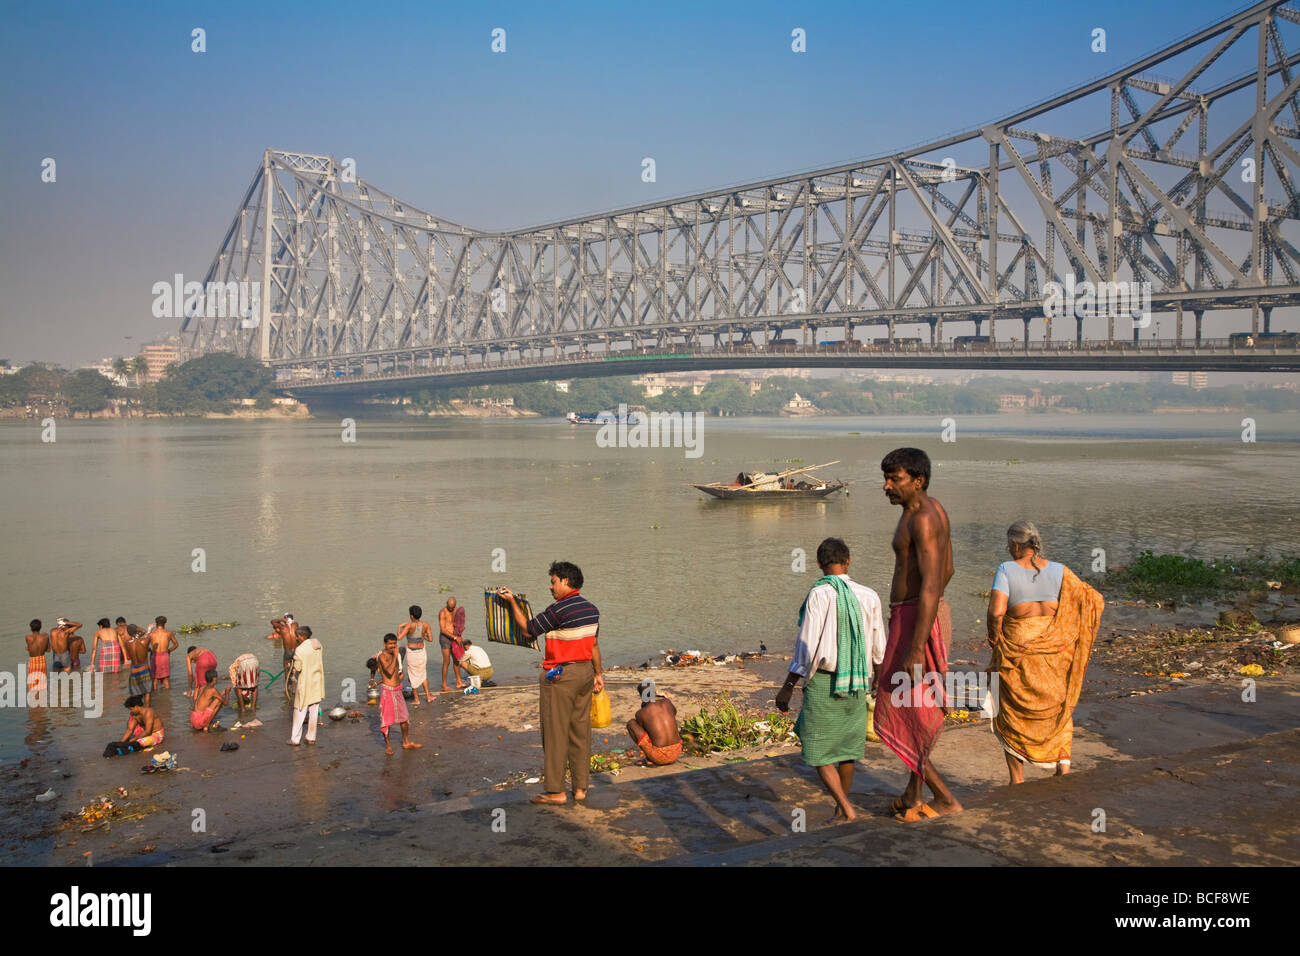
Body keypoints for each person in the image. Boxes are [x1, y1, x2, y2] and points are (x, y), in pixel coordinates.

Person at [873, 447, 963, 821]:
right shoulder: (927, 510)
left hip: (916, 619)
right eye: (886, 478)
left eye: (895, 479)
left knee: (897, 705)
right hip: (918, 616)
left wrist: (915, 646)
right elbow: (951, 569)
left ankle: (943, 797)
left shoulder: (923, 518)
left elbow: (930, 584)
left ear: (918, 480)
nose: (886, 486)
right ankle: (913, 793)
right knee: (916, 708)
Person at [775, 537, 887, 824]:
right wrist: (877, 682)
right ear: (848, 561)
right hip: (858, 680)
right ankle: (842, 808)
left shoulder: (819, 594)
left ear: (818, 564)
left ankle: (845, 808)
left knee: (817, 747)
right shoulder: (869, 595)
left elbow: (807, 646)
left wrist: (788, 686)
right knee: (847, 749)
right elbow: (878, 647)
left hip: (825, 681)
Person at [986, 521, 1104, 783]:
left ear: (1016, 545)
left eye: (1009, 544)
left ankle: (1017, 779)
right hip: (1055, 653)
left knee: (1011, 713)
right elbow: (1092, 599)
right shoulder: (1062, 571)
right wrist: (1067, 632)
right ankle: (1063, 770)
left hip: (1019, 652)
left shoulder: (1006, 569)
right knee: (1057, 709)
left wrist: (995, 639)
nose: (1008, 549)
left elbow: (996, 612)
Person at [497, 560, 602, 806]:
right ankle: (580, 788)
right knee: (580, 732)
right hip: (585, 672)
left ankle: (556, 791)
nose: (551, 587)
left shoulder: (559, 609)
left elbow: (528, 630)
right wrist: (598, 673)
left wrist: (512, 602)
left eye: (553, 582)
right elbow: (594, 645)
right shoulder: (591, 609)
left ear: (565, 581)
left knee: (555, 734)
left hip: (561, 676)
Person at [374, 633, 420, 754]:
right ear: (385, 644)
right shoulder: (382, 656)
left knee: (404, 718)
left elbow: (396, 672)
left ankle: (406, 742)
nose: (393, 646)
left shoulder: (396, 655)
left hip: (397, 690)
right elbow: (388, 672)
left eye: (394, 644)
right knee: (386, 721)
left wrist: (400, 676)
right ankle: (388, 746)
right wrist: (395, 655)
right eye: (390, 644)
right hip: (387, 692)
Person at [627, 680, 681, 767]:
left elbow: (645, 732)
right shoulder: (667, 702)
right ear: (655, 692)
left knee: (631, 724)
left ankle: (650, 759)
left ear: (642, 696)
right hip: (677, 751)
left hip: (659, 757)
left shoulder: (641, 713)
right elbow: (674, 713)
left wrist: (644, 707)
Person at [289, 627, 325, 746]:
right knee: (313, 711)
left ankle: (295, 739)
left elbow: (298, 668)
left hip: (305, 682)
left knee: (299, 710)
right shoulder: (317, 644)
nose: (296, 638)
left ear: (302, 636)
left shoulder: (300, 650)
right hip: (316, 681)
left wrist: (293, 668)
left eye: (297, 636)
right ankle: (311, 737)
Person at [396, 605, 434, 704]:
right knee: (423, 674)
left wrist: (399, 627)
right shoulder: (425, 624)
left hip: (412, 653)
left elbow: (399, 638)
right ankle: (428, 696)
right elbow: (430, 639)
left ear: (412, 616)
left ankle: (417, 700)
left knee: (413, 675)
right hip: (422, 652)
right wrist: (423, 636)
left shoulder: (409, 626)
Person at [437, 598, 465, 691]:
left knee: (457, 660)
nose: (451, 610)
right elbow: (442, 629)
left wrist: (458, 636)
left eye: (452, 608)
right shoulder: (442, 612)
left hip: (455, 637)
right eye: (449, 608)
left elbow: (459, 624)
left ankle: (459, 682)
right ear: (446, 604)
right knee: (446, 662)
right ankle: (444, 685)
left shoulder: (457, 610)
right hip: (445, 638)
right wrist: (455, 637)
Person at [123, 625, 153, 705]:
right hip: (144, 668)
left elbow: (128, 658)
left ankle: (137, 714)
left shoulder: (126, 644)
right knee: (147, 692)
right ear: (137, 631)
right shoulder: (144, 641)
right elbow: (147, 633)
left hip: (133, 670)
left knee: (135, 694)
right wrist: (149, 628)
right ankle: (147, 711)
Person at [148, 616, 177, 693]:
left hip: (155, 656)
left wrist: (150, 650)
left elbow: (144, 644)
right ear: (165, 623)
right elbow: (176, 644)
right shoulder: (168, 633)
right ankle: (167, 696)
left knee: (155, 678)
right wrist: (169, 650)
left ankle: (155, 696)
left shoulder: (152, 634)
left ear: (155, 624)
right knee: (166, 678)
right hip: (165, 656)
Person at [228, 652, 261, 718]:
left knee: (238, 687)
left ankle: (242, 708)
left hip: (244, 663)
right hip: (255, 661)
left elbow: (235, 682)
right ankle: (253, 707)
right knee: (254, 685)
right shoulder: (236, 663)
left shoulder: (232, 668)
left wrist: (236, 686)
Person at [25, 620, 50, 702]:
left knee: (33, 683)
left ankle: (35, 701)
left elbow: (31, 648)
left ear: (31, 628)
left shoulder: (28, 637)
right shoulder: (45, 636)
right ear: (40, 627)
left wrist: (28, 649)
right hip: (42, 660)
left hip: (32, 662)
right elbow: (48, 649)